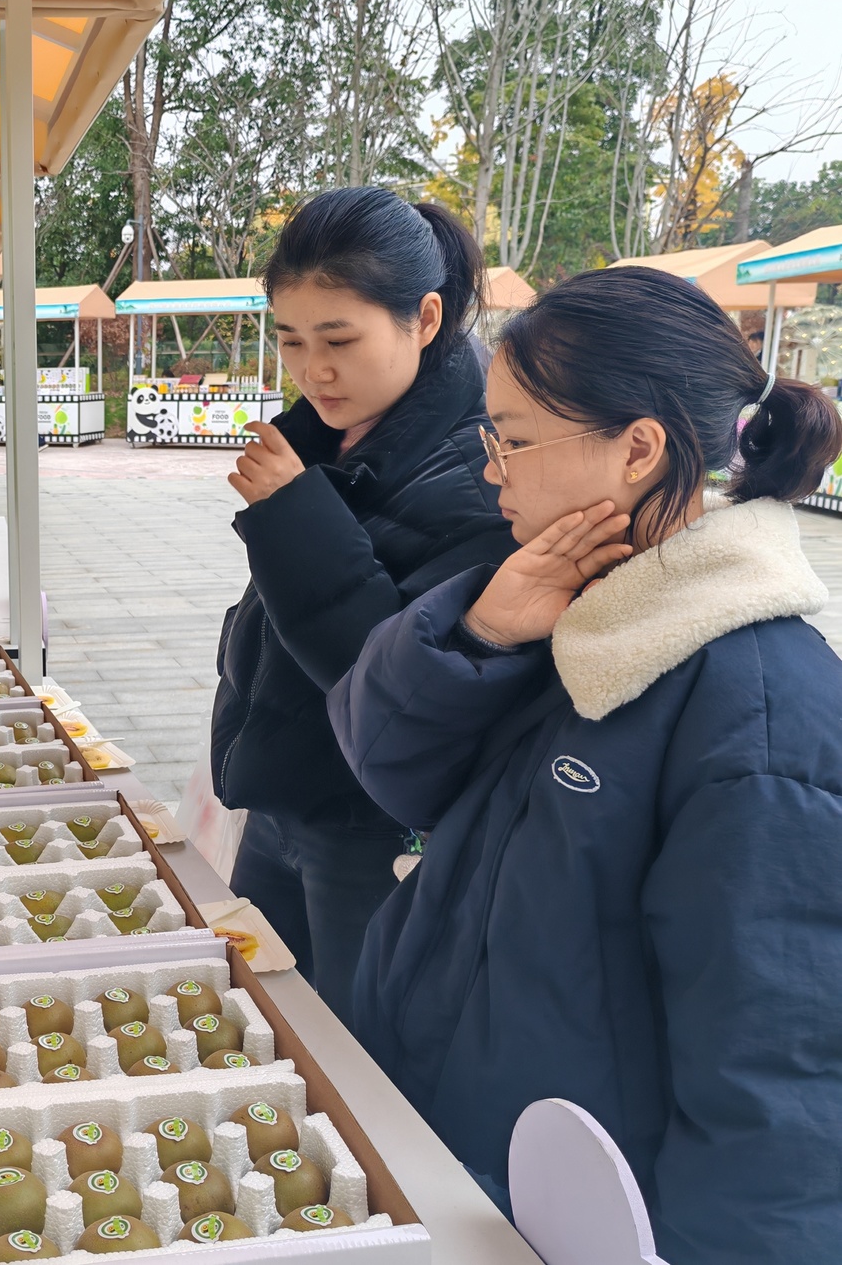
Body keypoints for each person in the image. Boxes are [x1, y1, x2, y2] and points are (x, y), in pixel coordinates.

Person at [330, 265, 842, 1261]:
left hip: (568, 1217)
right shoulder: (578, 608)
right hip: (453, 1154)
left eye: (512, 438)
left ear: (638, 449)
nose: (492, 470)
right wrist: (475, 636)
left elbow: (777, 1099)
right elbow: (389, 769)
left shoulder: (761, 713)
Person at [211, 187, 516, 1014]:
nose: (314, 369)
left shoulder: (486, 469)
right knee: (250, 1015)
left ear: (425, 318)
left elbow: (390, 678)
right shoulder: (327, 433)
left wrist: (292, 516)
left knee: (356, 1058)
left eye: (340, 339)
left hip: (373, 824)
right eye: (291, 340)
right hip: (285, 793)